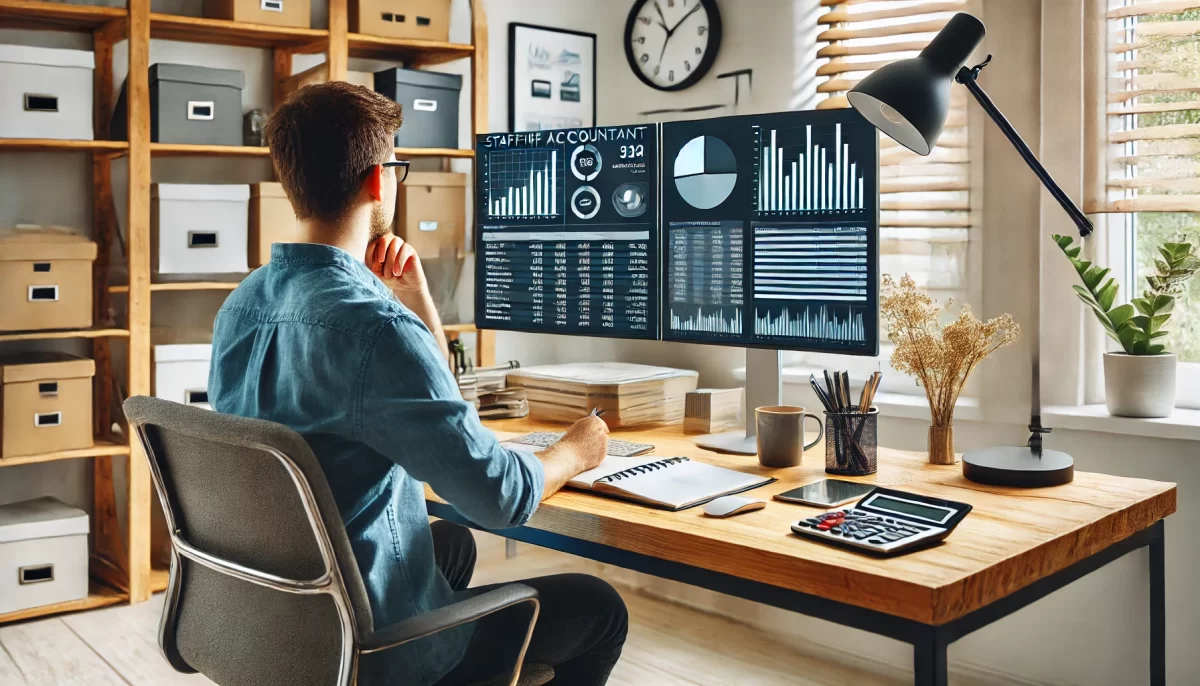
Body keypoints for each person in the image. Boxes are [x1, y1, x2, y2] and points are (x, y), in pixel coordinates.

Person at [208, 82, 628, 686]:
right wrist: (575, 449)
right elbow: (499, 497)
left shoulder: (241, 304)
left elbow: (436, 411)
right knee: (599, 607)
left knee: (451, 542)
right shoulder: (374, 329)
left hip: (284, 611)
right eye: (398, 167)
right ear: (380, 181)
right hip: (370, 647)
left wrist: (416, 299)